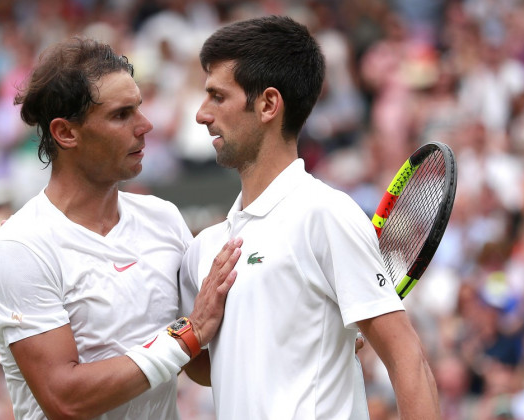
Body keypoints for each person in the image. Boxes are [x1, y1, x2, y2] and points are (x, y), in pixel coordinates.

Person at [178, 15, 440, 419]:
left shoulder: (325, 215)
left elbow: (408, 361)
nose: (201, 114)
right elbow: (215, 368)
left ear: (268, 104)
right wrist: (195, 329)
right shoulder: (204, 250)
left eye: (217, 96)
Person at [0, 37, 242, 420]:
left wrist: (304, 339)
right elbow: (65, 399)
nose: (145, 125)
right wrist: (188, 333)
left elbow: (199, 363)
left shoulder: (163, 219)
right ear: (66, 133)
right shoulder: (20, 246)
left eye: (139, 108)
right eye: (122, 115)